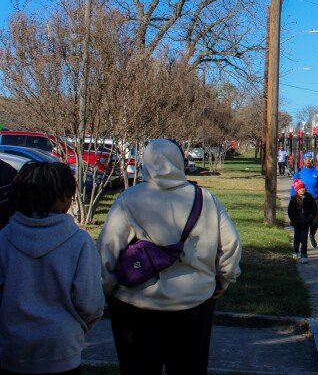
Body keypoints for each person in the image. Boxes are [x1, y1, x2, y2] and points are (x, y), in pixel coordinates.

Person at [97, 139, 242, 375]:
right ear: (180, 162)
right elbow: (231, 245)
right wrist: (225, 280)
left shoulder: (128, 199)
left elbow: (106, 250)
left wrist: (109, 287)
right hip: (193, 304)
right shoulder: (206, 200)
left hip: (136, 305)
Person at [0, 161, 104, 375]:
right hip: (62, 350)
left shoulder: (5, 237)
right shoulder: (79, 241)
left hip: (13, 349)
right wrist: (75, 331)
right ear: (63, 197)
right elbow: (91, 303)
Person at [292, 152, 318, 248]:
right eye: (306, 159)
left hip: (315, 199)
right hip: (302, 199)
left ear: (313, 160)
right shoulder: (299, 172)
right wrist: (292, 199)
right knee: (304, 220)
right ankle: (304, 242)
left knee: (315, 221)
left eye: (310, 159)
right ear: (303, 161)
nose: (308, 161)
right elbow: (293, 187)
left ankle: (312, 234)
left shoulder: (317, 172)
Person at [288, 178, 317, 263]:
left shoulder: (309, 197)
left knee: (304, 239)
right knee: (296, 238)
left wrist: (311, 217)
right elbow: (290, 211)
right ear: (297, 190)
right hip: (297, 223)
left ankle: (304, 254)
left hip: (306, 222)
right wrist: (294, 220)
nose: (302, 189)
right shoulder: (294, 199)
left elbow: (314, 208)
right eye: (300, 188)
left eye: (303, 187)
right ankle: (295, 252)